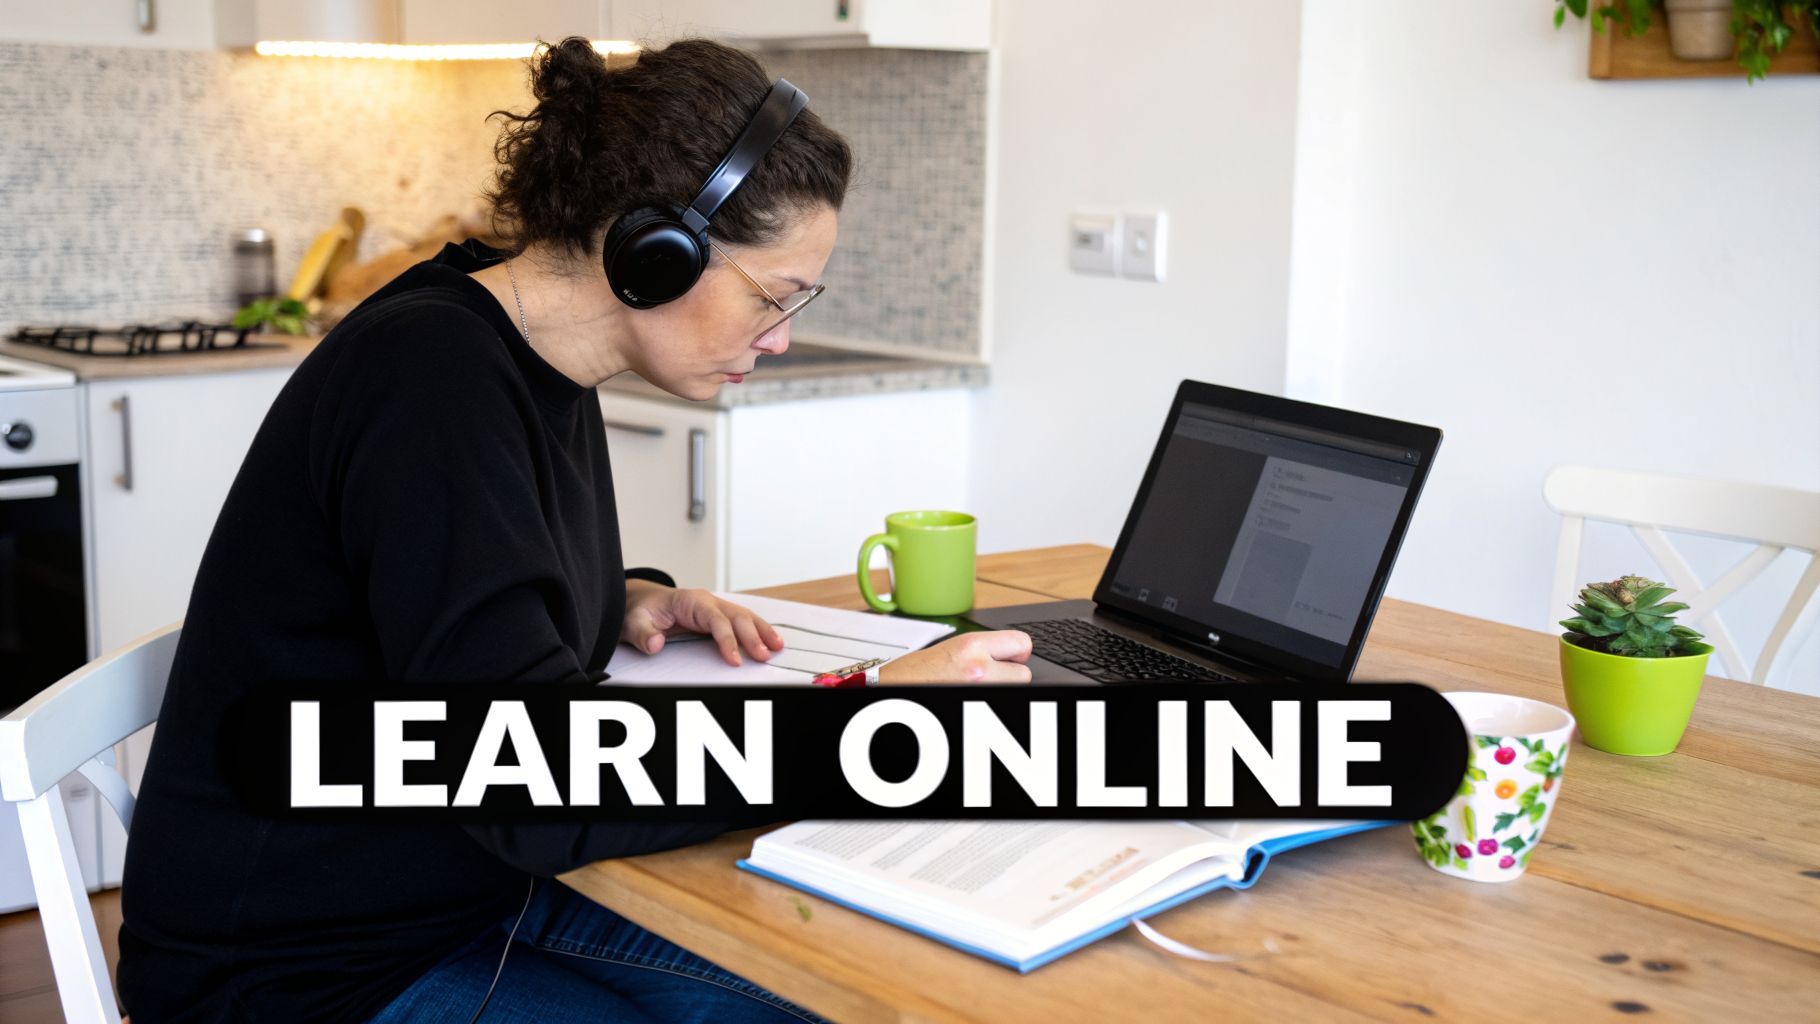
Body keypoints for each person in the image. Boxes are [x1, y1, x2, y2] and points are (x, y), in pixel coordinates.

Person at [117, 36, 1031, 1023]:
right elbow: (530, 782)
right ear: (651, 254)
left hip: (450, 894)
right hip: (302, 973)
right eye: (771, 296)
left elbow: (455, 593)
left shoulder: (521, 355)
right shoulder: (431, 380)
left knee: (848, 993)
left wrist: (622, 593)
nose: (778, 338)